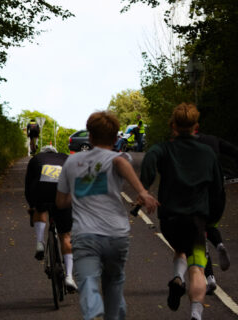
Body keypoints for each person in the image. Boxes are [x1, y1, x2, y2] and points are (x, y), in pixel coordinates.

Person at [56, 111, 158, 320]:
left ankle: (93, 310)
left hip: (85, 235)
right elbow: (119, 163)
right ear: (115, 139)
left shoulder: (71, 163)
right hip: (116, 235)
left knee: (87, 280)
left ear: (90, 137)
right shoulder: (119, 157)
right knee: (114, 282)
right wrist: (142, 192)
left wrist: (77, 193)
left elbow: (61, 202)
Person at [140, 103, 225, 320]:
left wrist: (145, 187)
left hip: (169, 219)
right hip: (196, 220)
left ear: (173, 125)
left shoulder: (164, 149)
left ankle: (178, 277)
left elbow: (150, 159)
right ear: (196, 126)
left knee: (179, 249)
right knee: (197, 267)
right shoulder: (207, 153)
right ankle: (196, 314)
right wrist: (212, 219)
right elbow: (217, 190)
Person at [24, 145, 77, 292]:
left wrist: (32, 205)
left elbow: (28, 186)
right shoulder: (66, 158)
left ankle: (40, 242)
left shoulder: (36, 159)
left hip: (42, 190)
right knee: (65, 236)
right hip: (62, 192)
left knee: (40, 209)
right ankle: (69, 277)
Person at [194, 132, 237, 293]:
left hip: (197, 195)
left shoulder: (183, 144)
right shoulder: (213, 140)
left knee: (198, 234)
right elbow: (233, 150)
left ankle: (209, 277)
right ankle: (219, 244)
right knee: (210, 225)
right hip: (217, 194)